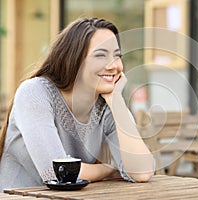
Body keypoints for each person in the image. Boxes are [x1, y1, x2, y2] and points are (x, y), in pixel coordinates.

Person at [0, 17, 155, 191]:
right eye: (100, 55)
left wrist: (116, 100)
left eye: (117, 55)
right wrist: (109, 169)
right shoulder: (34, 93)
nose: (113, 65)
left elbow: (142, 172)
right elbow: (56, 173)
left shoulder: (106, 104)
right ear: (74, 59)